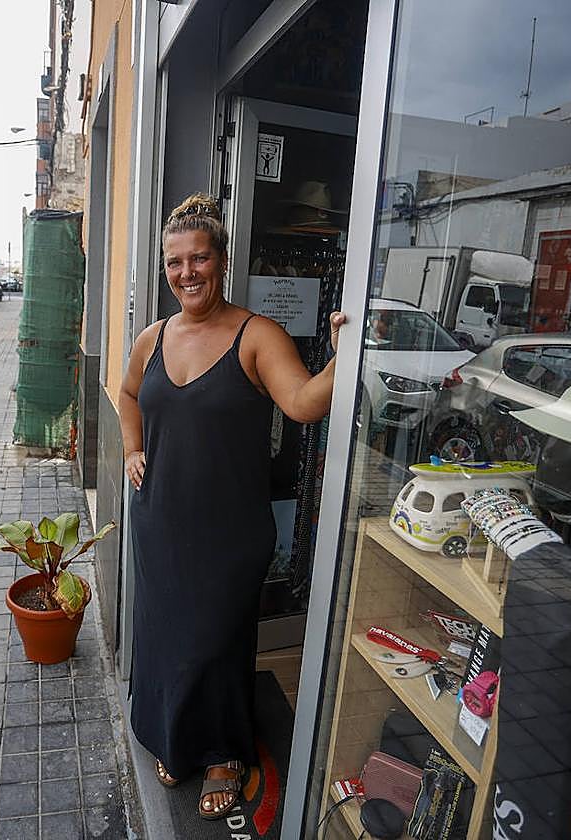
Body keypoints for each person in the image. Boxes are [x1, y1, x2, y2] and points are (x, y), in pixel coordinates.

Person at [120, 193, 345, 820]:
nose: (186, 273)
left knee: (216, 640)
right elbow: (127, 392)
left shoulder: (256, 335)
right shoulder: (153, 337)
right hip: (159, 520)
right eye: (174, 262)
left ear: (222, 261)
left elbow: (302, 402)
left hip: (228, 532)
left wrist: (343, 357)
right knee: (165, 634)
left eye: (199, 259)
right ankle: (172, 735)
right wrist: (132, 450)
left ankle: (223, 753)